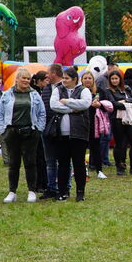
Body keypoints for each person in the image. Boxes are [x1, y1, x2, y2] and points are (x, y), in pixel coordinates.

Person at [0, 68, 46, 203]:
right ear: (16, 79)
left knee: (30, 162)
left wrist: (38, 130)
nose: (26, 80)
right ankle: (12, 191)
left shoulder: (35, 95)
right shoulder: (7, 95)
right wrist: (3, 130)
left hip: (30, 132)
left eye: (28, 78)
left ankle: (31, 191)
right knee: (14, 163)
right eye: (23, 78)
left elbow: (42, 113)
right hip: (12, 132)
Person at [50, 67, 91, 201]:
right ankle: (63, 191)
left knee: (79, 163)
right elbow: (53, 105)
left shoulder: (83, 90)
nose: (64, 80)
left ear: (74, 79)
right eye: (63, 78)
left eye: (67, 78)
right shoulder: (57, 89)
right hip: (61, 134)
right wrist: (72, 109)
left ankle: (80, 192)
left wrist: (67, 101)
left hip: (79, 133)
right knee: (63, 164)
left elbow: (85, 104)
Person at [107, 69, 132, 176]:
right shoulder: (108, 90)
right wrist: (124, 103)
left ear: (120, 79)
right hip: (117, 119)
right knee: (120, 143)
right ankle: (120, 166)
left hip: (129, 118)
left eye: (116, 78)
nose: (114, 81)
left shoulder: (127, 88)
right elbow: (113, 104)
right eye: (112, 79)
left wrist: (124, 102)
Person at [81, 70, 112, 179]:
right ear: (82, 80)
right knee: (80, 148)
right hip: (81, 123)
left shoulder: (99, 91)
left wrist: (99, 105)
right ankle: (80, 171)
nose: (87, 80)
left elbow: (107, 105)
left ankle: (99, 170)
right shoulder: (78, 91)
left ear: (93, 80)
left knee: (96, 147)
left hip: (95, 124)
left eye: (89, 78)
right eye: (85, 78)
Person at [41, 64, 64, 200]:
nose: (46, 76)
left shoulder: (65, 88)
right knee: (50, 161)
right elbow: (45, 109)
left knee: (64, 160)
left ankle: (64, 187)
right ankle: (51, 187)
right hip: (48, 129)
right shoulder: (46, 89)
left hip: (62, 128)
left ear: (54, 73)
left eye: (48, 73)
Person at [31, 71, 49, 193]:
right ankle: (40, 183)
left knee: (42, 156)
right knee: (39, 156)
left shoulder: (42, 91)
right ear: (40, 81)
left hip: (40, 126)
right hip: (36, 128)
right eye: (46, 80)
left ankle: (42, 181)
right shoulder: (35, 93)